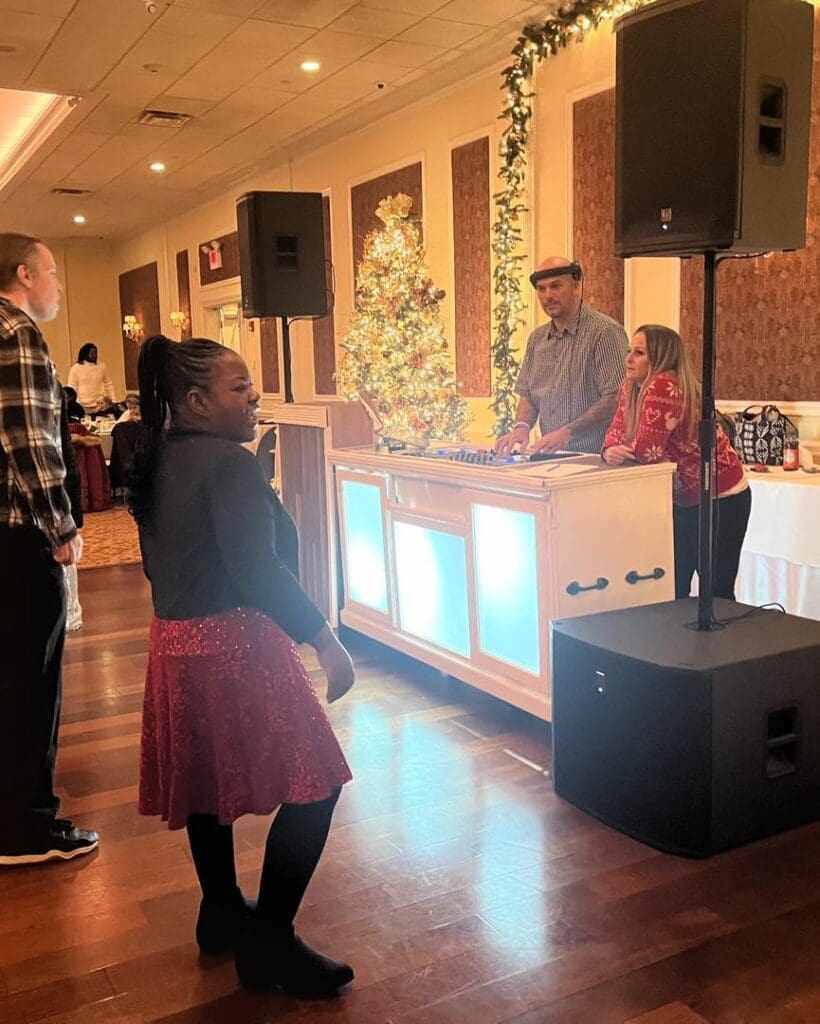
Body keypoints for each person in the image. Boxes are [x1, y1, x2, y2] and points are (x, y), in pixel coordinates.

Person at [129, 334, 356, 997]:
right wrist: (324, 638)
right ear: (196, 400)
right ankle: (272, 943)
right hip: (232, 646)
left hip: (174, 648)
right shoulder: (227, 463)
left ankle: (222, 909)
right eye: (239, 387)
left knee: (205, 785)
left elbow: (158, 566)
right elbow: (257, 569)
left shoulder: (159, 457)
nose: (255, 395)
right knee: (317, 782)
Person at [0, 232, 98, 865]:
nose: (58, 284)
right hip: (16, 540)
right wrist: (62, 529)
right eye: (53, 272)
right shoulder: (18, 335)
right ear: (22, 274)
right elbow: (30, 441)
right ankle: (26, 827)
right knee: (29, 685)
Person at [603, 324, 751, 599]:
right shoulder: (632, 386)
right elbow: (614, 433)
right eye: (629, 352)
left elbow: (649, 452)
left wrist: (618, 451)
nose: (628, 360)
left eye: (639, 353)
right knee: (673, 584)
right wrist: (609, 450)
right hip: (684, 497)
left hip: (720, 495)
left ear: (659, 357)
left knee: (714, 591)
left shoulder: (664, 384)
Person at [496, 257, 627, 456]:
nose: (548, 295)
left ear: (576, 286)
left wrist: (568, 432)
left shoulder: (605, 332)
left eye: (556, 286)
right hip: (550, 457)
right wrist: (521, 427)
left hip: (596, 459)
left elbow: (617, 396)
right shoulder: (536, 339)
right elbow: (529, 395)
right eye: (541, 289)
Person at [67, 342, 116, 415]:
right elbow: (72, 388)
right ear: (86, 354)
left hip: (100, 405)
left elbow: (108, 383)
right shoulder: (76, 368)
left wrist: (113, 400)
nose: (95, 355)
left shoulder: (102, 366)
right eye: (92, 353)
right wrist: (76, 404)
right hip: (83, 405)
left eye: (96, 353)